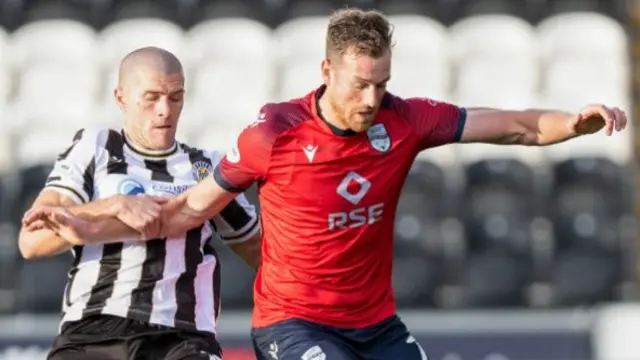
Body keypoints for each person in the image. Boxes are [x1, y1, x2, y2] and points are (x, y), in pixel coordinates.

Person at [25, 8, 628, 360]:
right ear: (326, 71)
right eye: (358, 84)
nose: (371, 99)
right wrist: (92, 219)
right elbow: (182, 211)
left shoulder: (407, 117)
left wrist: (573, 123)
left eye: (381, 83)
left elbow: (517, 128)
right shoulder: (272, 135)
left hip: (368, 324)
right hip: (281, 324)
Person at [19, 47, 261, 360]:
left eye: (175, 97)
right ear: (121, 98)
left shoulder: (207, 168)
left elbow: (262, 252)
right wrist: (113, 205)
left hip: (181, 340)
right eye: (152, 97)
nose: (165, 110)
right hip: (93, 333)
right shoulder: (94, 149)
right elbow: (32, 241)